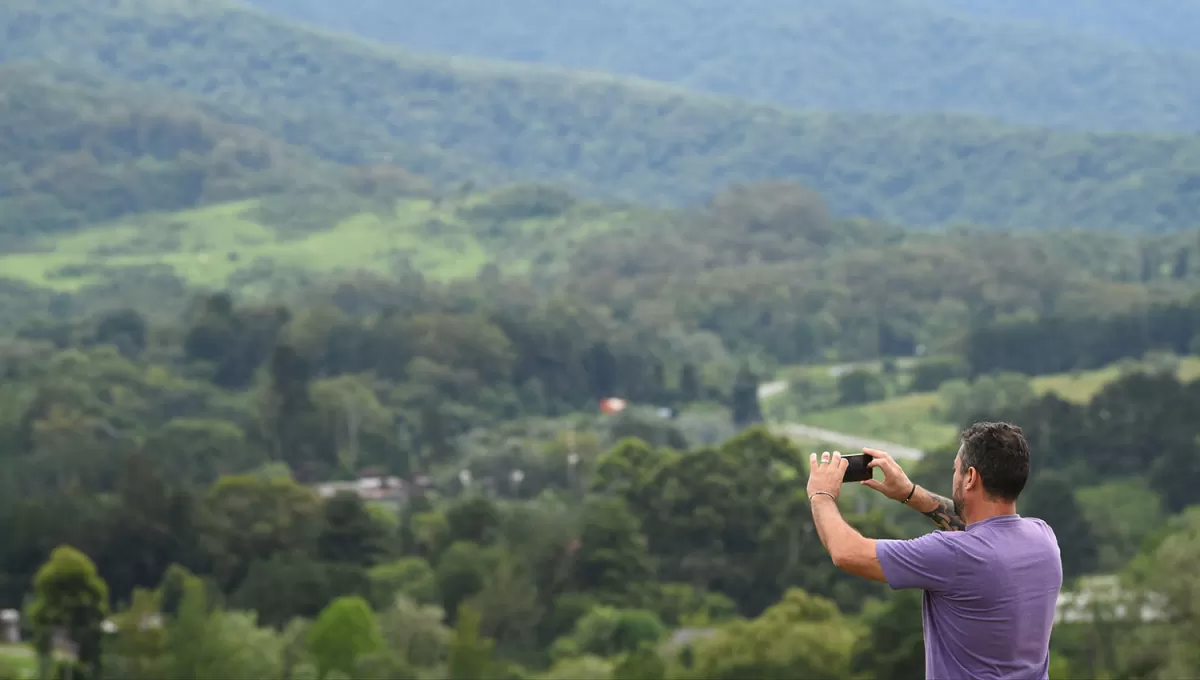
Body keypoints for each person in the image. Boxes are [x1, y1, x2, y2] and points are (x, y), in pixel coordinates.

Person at [805, 421, 1063, 680]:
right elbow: (981, 529)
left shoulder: (952, 555)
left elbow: (847, 553)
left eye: (956, 470)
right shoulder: (1043, 538)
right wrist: (909, 493)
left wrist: (821, 494)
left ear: (971, 477)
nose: (954, 476)